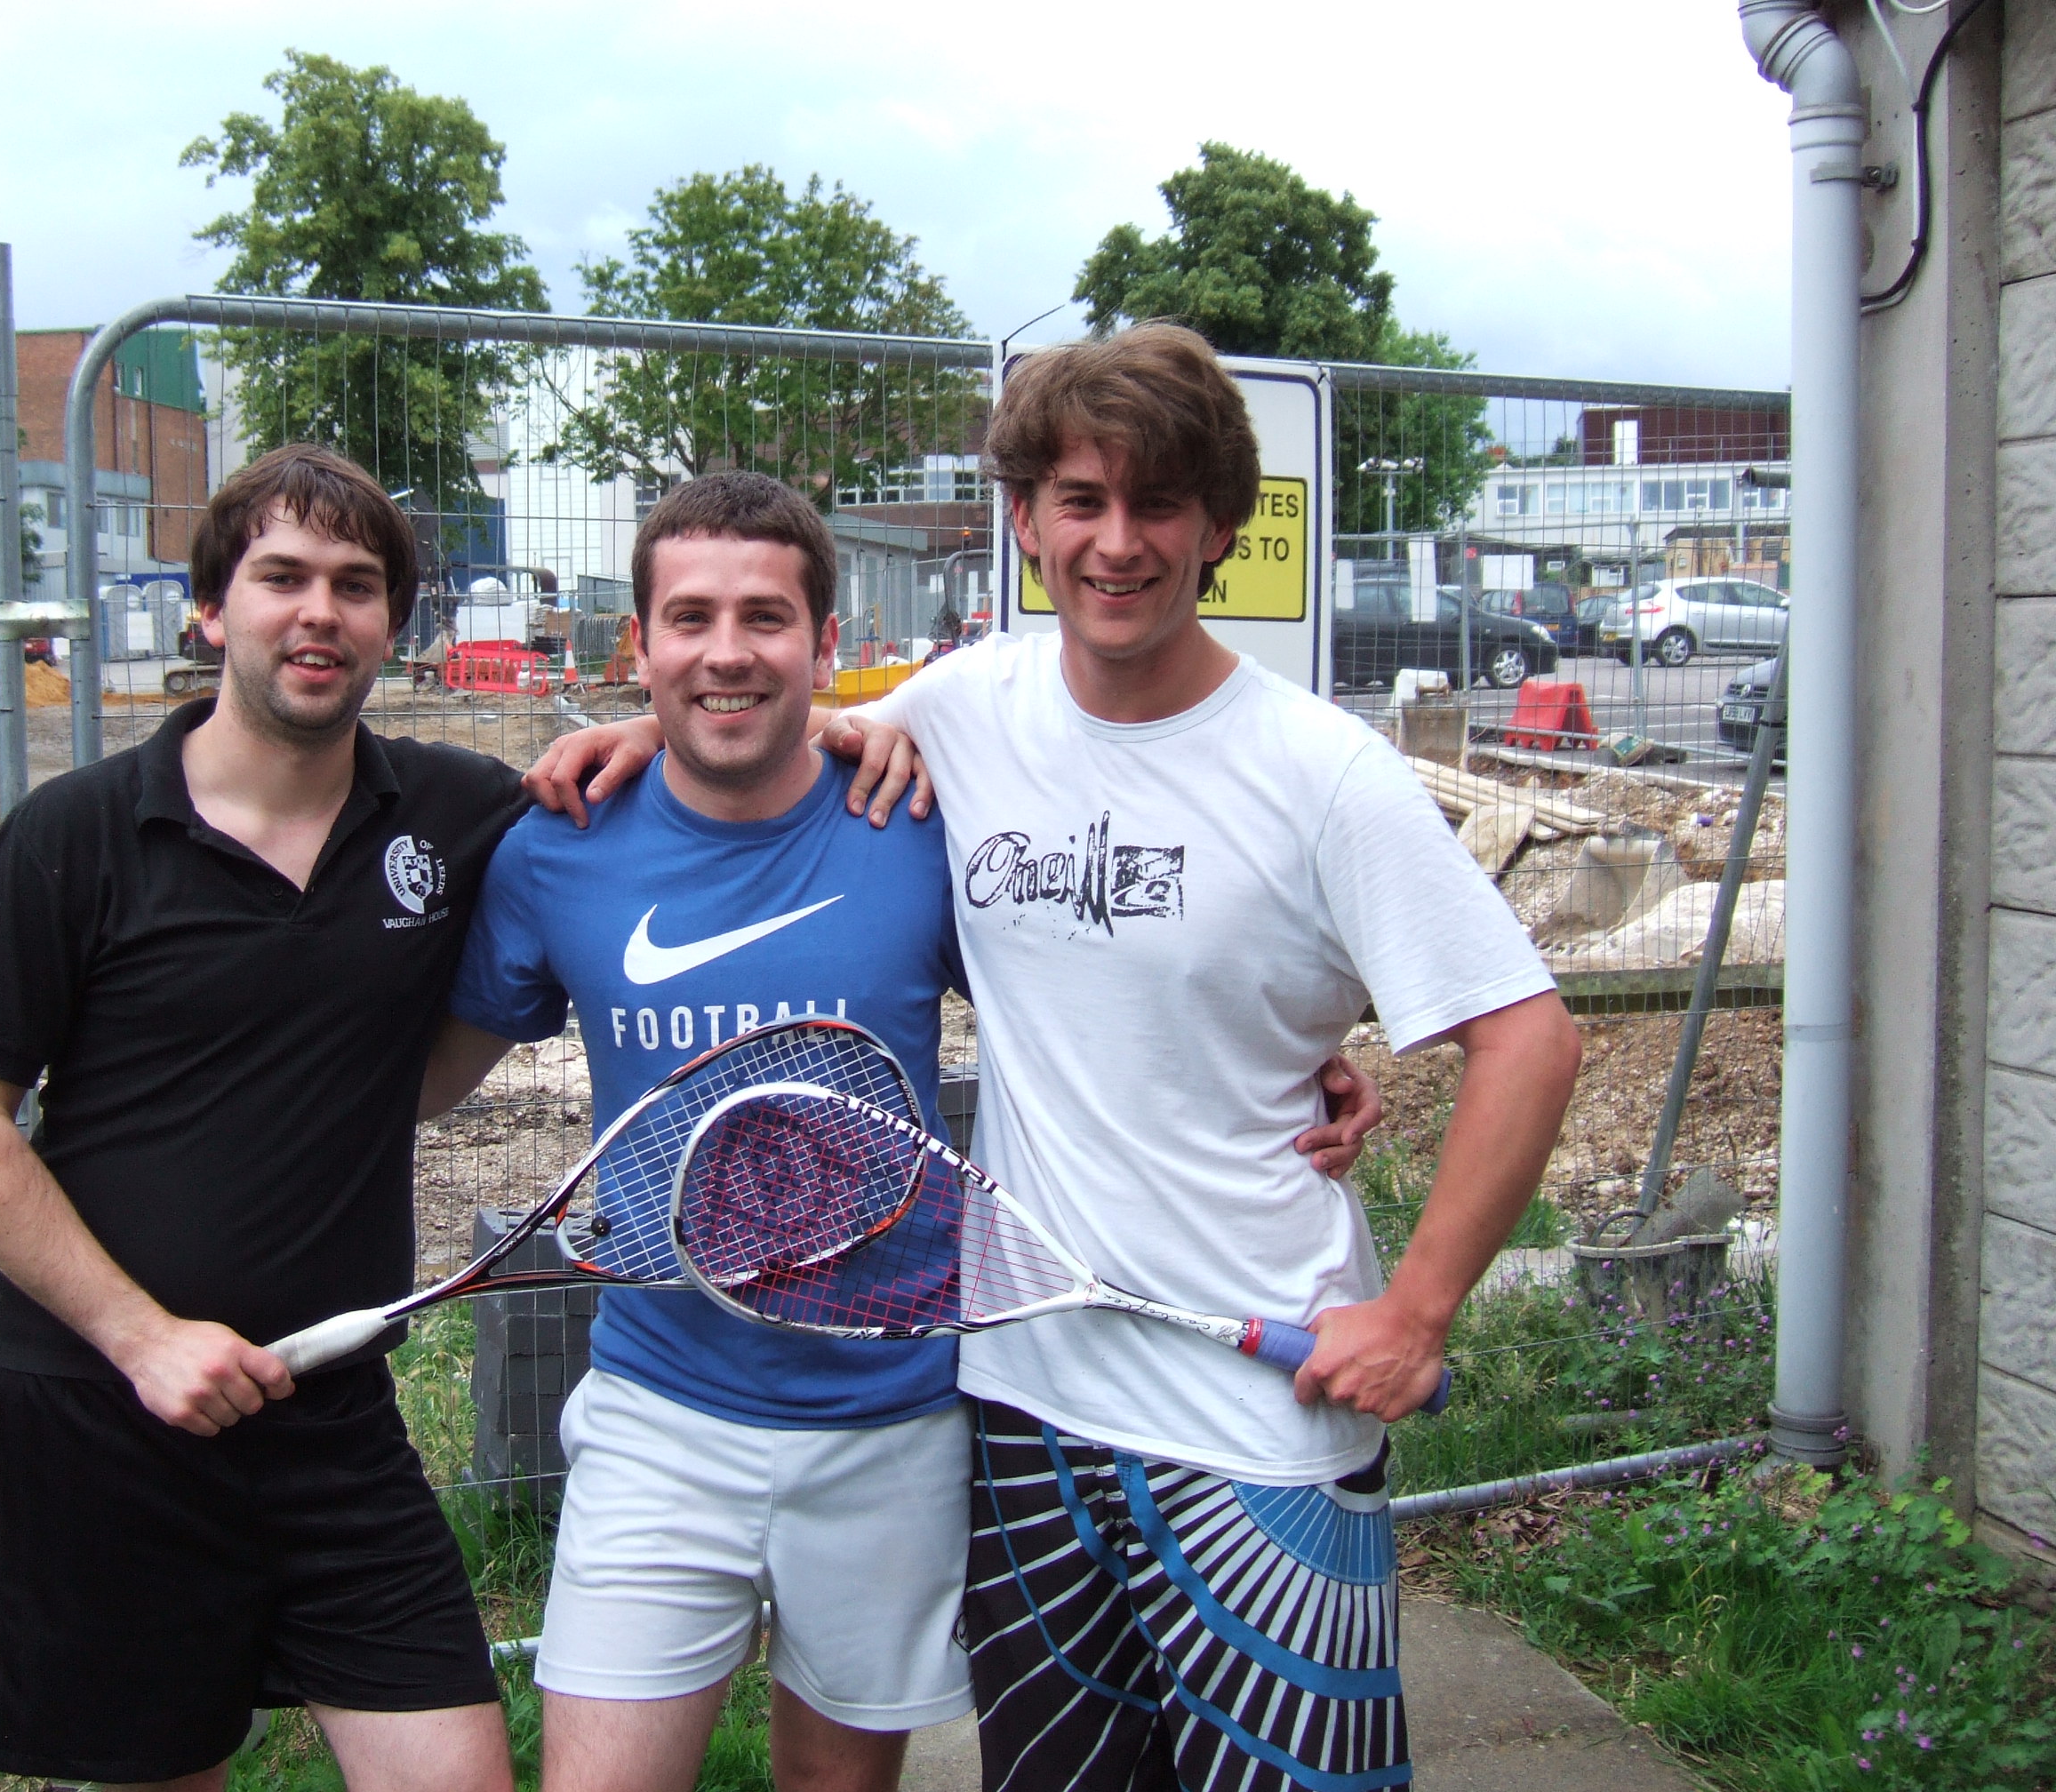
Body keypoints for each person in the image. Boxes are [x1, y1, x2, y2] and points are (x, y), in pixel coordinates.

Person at [532, 324, 1580, 1792]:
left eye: (1159, 505)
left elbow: (1528, 1038)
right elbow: (764, 728)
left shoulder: (1320, 769)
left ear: (1220, 528)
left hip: (1258, 1414)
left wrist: (1415, 1308)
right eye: (1079, 501)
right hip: (1025, 1410)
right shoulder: (969, 706)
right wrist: (621, 744)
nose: (1118, 542)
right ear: (1024, 521)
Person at [427, 472, 1382, 1792]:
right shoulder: (559, 847)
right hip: (659, 1410)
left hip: (895, 1416)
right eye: (688, 618)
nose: (725, 650)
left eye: (766, 618)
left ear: (826, 647)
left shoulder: (921, 822)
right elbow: (427, 1080)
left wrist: (1284, 1058)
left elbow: (1103, 987)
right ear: (634, 645)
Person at [0, 444, 524, 1792]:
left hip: (331, 1407)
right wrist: (142, 1339)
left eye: (357, 586)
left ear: (392, 627)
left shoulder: (456, 813)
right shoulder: (76, 837)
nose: (320, 613)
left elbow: (641, 776)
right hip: (105, 1417)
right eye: (282, 578)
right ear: (210, 611)